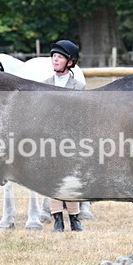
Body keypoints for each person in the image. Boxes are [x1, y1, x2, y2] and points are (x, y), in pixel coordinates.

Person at [43, 39, 85, 232]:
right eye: (53, 56)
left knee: (71, 177)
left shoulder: (78, 86)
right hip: (51, 138)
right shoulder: (44, 85)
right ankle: (57, 217)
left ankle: (74, 217)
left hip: (71, 138)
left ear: (70, 61)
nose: (55, 60)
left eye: (59, 57)